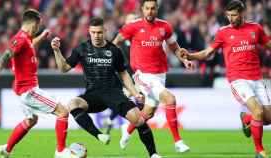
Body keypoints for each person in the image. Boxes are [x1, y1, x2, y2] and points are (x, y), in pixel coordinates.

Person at [51, 17, 161, 158]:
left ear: (105, 31)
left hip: (113, 93)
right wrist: (56, 51)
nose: (96, 36)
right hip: (93, 95)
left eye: (99, 32)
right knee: (72, 104)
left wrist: (134, 92)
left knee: (138, 120)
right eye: (93, 32)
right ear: (89, 32)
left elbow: (123, 73)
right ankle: (98, 135)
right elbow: (64, 68)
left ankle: (153, 154)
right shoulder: (82, 49)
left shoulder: (114, 50)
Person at [181, 1, 271, 157]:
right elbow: (208, 53)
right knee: (258, 111)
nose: (231, 18)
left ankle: (246, 119)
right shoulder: (223, 32)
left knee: (268, 118)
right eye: (228, 15)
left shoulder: (255, 29)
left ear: (242, 13)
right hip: (238, 79)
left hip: (256, 78)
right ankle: (259, 150)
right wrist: (190, 55)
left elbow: (269, 44)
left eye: (234, 15)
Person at [113, 0, 192, 152]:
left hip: (160, 74)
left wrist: (184, 59)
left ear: (157, 9)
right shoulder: (133, 26)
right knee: (170, 99)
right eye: (147, 8)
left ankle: (127, 131)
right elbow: (115, 42)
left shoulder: (164, 26)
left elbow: (174, 46)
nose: (150, 11)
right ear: (142, 9)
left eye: (153, 8)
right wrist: (109, 60)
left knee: (148, 113)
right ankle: (178, 142)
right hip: (142, 74)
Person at [0, 9, 71, 158]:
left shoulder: (25, 39)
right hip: (29, 90)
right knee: (63, 112)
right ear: (34, 23)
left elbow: (29, 44)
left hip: (23, 90)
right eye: (39, 26)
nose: (39, 28)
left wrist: (42, 35)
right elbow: (7, 54)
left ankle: (7, 150)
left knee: (31, 120)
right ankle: (60, 151)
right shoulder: (20, 39)